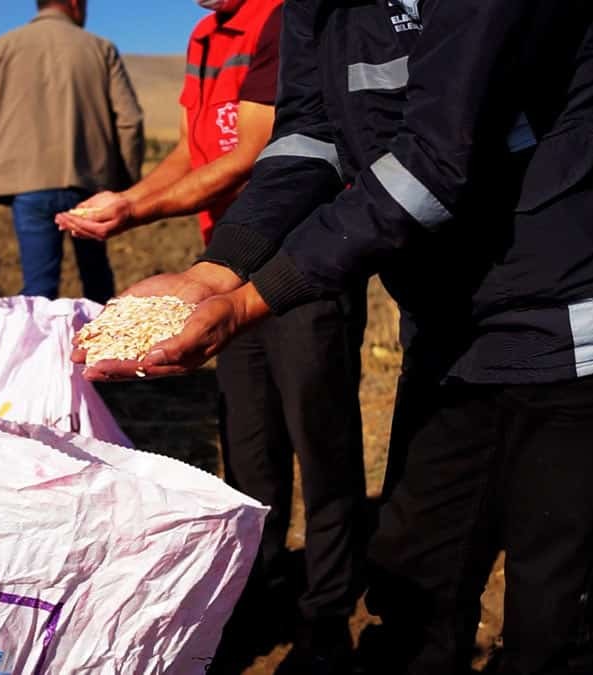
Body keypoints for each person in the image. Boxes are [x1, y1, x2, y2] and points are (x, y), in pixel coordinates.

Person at [76, 0, 593, 673]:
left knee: (549, 606)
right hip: (455, 321)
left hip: (586, 313)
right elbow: (309, 136)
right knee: (413, 579)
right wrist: (217, 267)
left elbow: (435, 160)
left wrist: (251, 302)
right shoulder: (312, 8)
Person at [57, 2, 368, 671]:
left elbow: (252, 155)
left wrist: (136, 210)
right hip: (221, 267)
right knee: (248, 445)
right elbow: (190, 150)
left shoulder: (286, 18)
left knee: (322, 441)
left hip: (300, 263)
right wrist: (127, 200)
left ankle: (328, 613)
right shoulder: (206, 35)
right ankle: (254, 591)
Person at [0, 0, 143, 303]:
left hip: (28, 187)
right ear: (74, 3)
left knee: (38, 290)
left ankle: (36, 351)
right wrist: (125, 187)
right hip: (91, 187)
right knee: (97, 283)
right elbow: (130, 121)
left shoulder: (1, 47)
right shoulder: (101, 48)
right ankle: (101, 349)